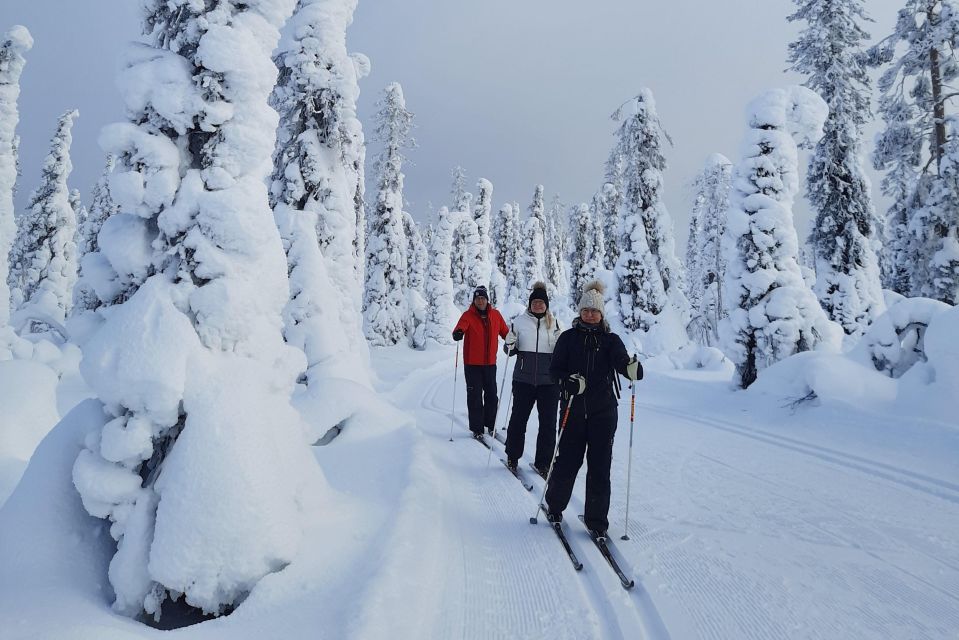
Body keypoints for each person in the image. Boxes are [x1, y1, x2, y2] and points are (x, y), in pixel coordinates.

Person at [544, 280, 642, 537]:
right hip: (572, 411)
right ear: (580, 312)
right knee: (567, 463)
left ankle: (597, 521)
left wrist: (631, 369)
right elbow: (554, 371)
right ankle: (554, 506)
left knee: (600, 468)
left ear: (601, 314)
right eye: (586, 310)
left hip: (603, 413)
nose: (590, 314)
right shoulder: (567, 339)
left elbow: (622, 362)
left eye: (594, 311)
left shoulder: (611, 340)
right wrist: (568, 382)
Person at [503, 282, 561, 476]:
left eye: (541, 302)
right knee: (518, 421)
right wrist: (509, 343)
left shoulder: (555, 323)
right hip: (523, 381)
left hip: (549, 383)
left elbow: (562, 354)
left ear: (546, 305)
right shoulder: (518, 322)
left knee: (548, 424)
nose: (538, 305)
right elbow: (509, 351)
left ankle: (543, 463)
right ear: (530, 304)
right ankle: (512, 456)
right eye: (535, 302)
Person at [452, 285, 509, 439]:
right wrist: (458, 333)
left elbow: (505, 333)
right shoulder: (468, 315)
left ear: (487, 300)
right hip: (472, 365)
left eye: (483, 298)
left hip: (490, 364)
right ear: (474, 301)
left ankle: (490, 425)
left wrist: (513, 341)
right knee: (475, 396)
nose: (480, 301)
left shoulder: (496, 315)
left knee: (491, 395)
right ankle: (477, 428)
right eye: (478, 298)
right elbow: (460, 327)